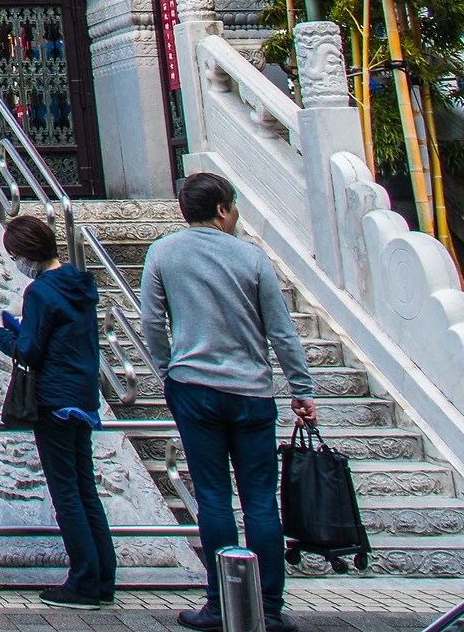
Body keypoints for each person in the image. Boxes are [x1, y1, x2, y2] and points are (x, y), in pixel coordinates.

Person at [140, 172, 317, 632]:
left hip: (193, 386)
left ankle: (221, 602)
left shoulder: (163, 252)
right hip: (251, 390)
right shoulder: (251, 257)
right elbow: (281, 331)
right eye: (233, 205)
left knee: (213, 496)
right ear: (222, 208)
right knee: (260, 500)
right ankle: (268, 606)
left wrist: (167, 371)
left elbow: (152, 323)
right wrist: (301, 389)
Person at [0, 213, 116, 608]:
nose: (16, 264)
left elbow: (29, 351)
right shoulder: (79, 283)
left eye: (15, 257)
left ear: (26, 254)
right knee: (85, 488)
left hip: (54, 399)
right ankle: (103, 577)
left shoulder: (39, 291)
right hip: (82, 397)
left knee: (66, 493)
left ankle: (83, 581)